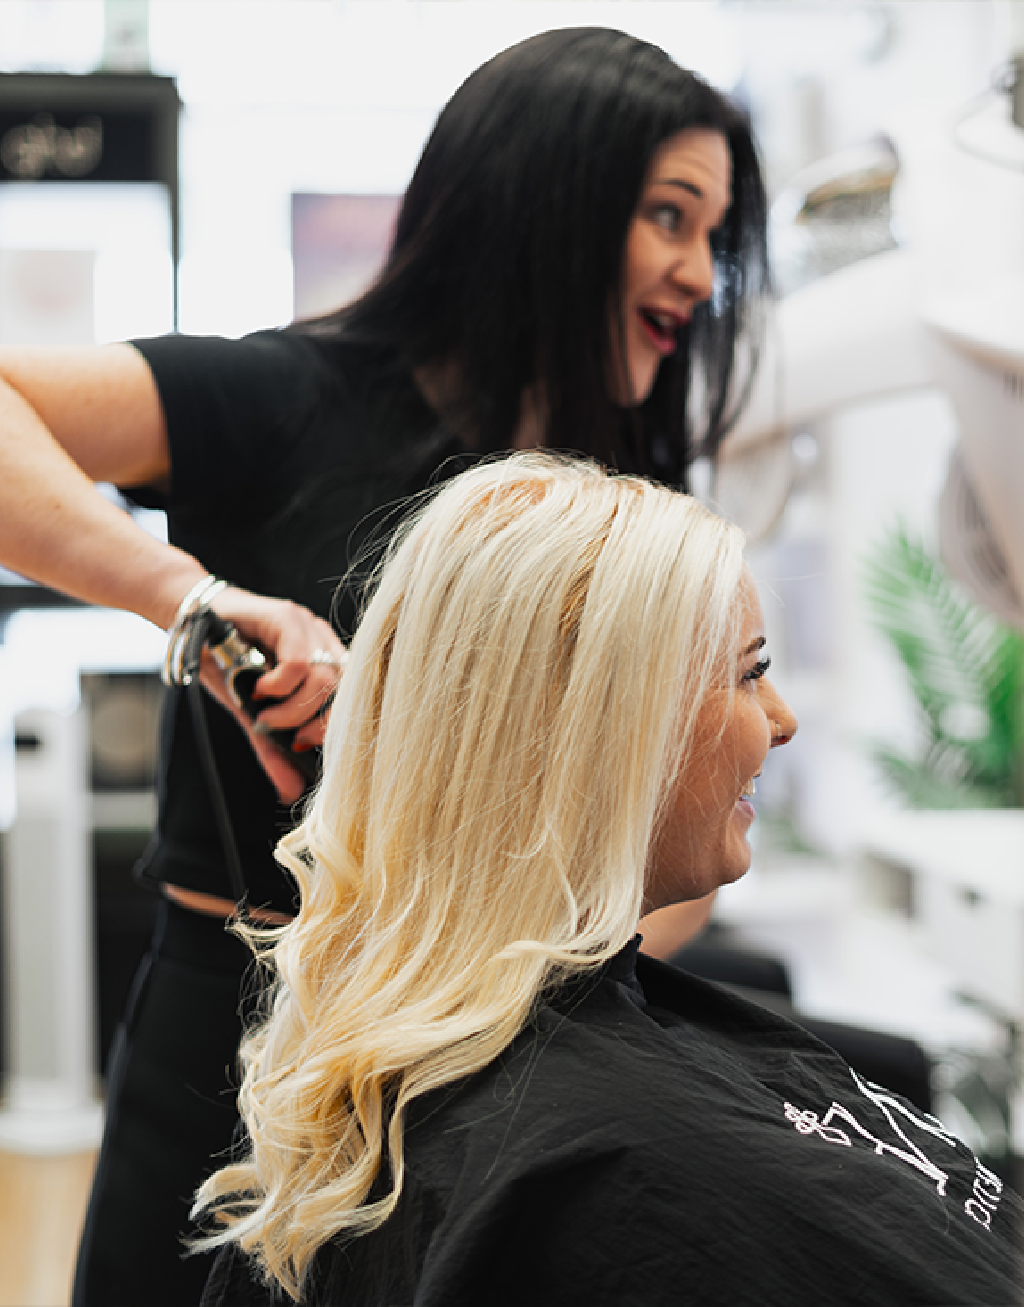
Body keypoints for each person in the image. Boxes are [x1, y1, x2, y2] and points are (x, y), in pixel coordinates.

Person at [0, 27, 767, 1305]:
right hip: (232, 1032)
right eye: (666, 218)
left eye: (711, 233)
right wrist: (191, 601)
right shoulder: (288, 397)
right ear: (551, 207)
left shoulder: (624, 505)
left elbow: (678, 824)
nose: (697, 272)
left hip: (495, 1056)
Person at [195, 454, 1022, 1307]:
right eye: (750, 671)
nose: (783, 719)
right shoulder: (617, 1171)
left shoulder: (497, 1081)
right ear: (608, 735)